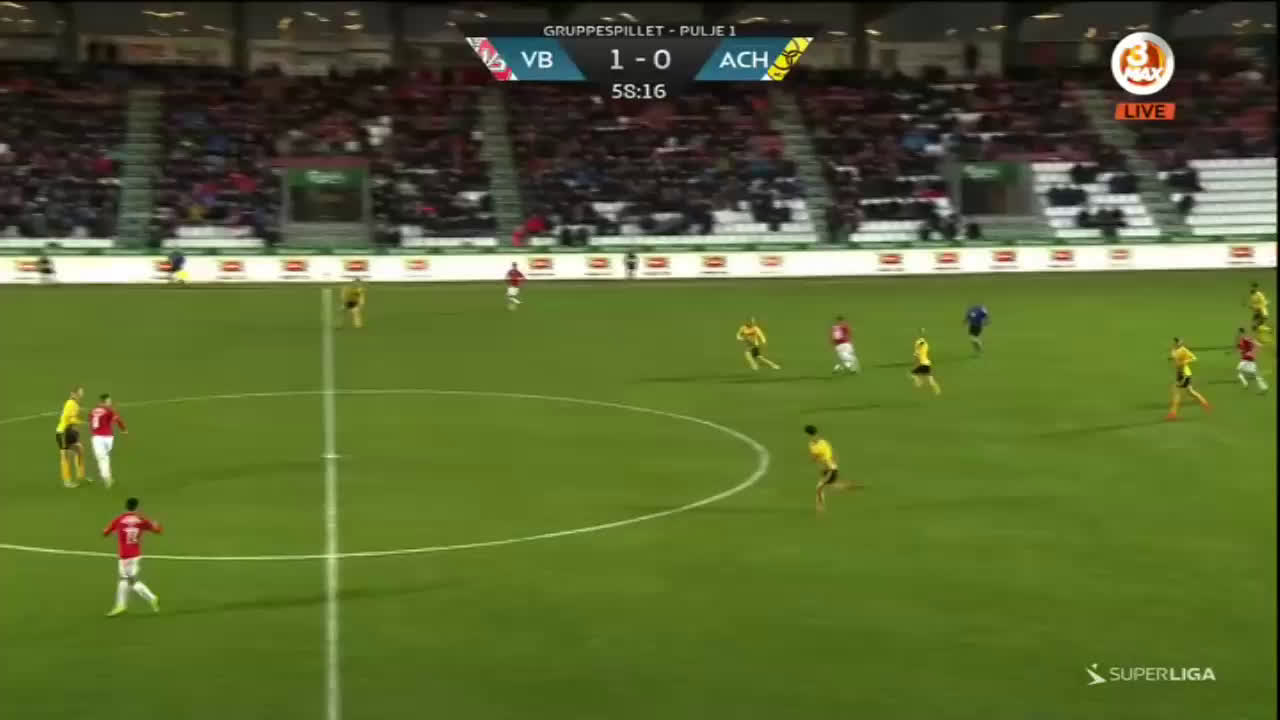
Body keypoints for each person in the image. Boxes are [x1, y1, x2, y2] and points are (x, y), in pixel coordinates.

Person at [103, 497, 162, 616]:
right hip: (135, 554)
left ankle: (151, 597)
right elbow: (157, 530)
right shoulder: (141, 519)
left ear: (126, 506)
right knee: (124, 580)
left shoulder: (119, 519)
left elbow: (105, 532)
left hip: (125, 556)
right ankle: (121, 605)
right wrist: (156, 525)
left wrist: (111, 531)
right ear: (137, 507)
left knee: (130, 581)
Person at [805, 425, 850, 513]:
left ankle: (820, 507)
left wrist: (815, 460)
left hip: (830, 469)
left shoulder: (814, 445)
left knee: (819, 487)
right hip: (829, 467)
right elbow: (830, 454)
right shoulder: (823, 442)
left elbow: (816, 456)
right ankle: (849, 487)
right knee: (831, 485)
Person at [89, 393, 128, 488]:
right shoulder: (109, 410)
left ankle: (106, 477)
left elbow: (90, 421)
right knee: (104, 457)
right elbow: (118, 420)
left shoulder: (93, 411)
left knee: (102, 458)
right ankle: (107, 476)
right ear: (105, 401)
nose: (110, 402)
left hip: (97, 437)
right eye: (109, 400)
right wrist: (123, 429)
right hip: (108, 438)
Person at [1168, 337, 1211, 420]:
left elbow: (1194, 358)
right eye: (1175, 342)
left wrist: (1186, 361)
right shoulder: (1175, 351)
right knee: (1190, 392)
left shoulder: (1183, 350)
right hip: (1181, 374)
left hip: (1184, 374)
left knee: (1176, 393)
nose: (1176, 343)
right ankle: (1206, 404)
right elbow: (1174, 358)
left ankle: (1173, 414)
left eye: (1177, 342)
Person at [55, 387, 86, 488]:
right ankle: (67, 481)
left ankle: (81, 476)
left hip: (69, 432)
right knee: (65, 456)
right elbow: (71, 419)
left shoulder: (74, 404)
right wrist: (82, 422)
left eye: (81, 393)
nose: (81, 395)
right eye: (79, 393)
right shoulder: (71, 404)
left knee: (80, 450)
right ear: (73, 394)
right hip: (63, 432)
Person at [1235, 328, 1268, 393]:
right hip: (1249, 359)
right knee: (1254, 374)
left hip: (1246, 359)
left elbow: (1250, 342)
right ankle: (1263, 387)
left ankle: (1246, 384)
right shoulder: (1244, 339)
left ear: (1241, 333)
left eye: (1239, 333)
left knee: (1240, 372)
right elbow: (1241, 347)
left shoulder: (1245, 338)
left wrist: (1258, 344)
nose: (1239, 334)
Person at [910, 329, 942, 395]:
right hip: (927, 364)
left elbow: (917, 355)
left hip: (923, 364)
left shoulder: (918, 349)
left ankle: (919, 382)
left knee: (913, 374)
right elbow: (922, 342)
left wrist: (916, 362)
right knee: (929, 378)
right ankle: (936, 388)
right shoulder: (925, 346)